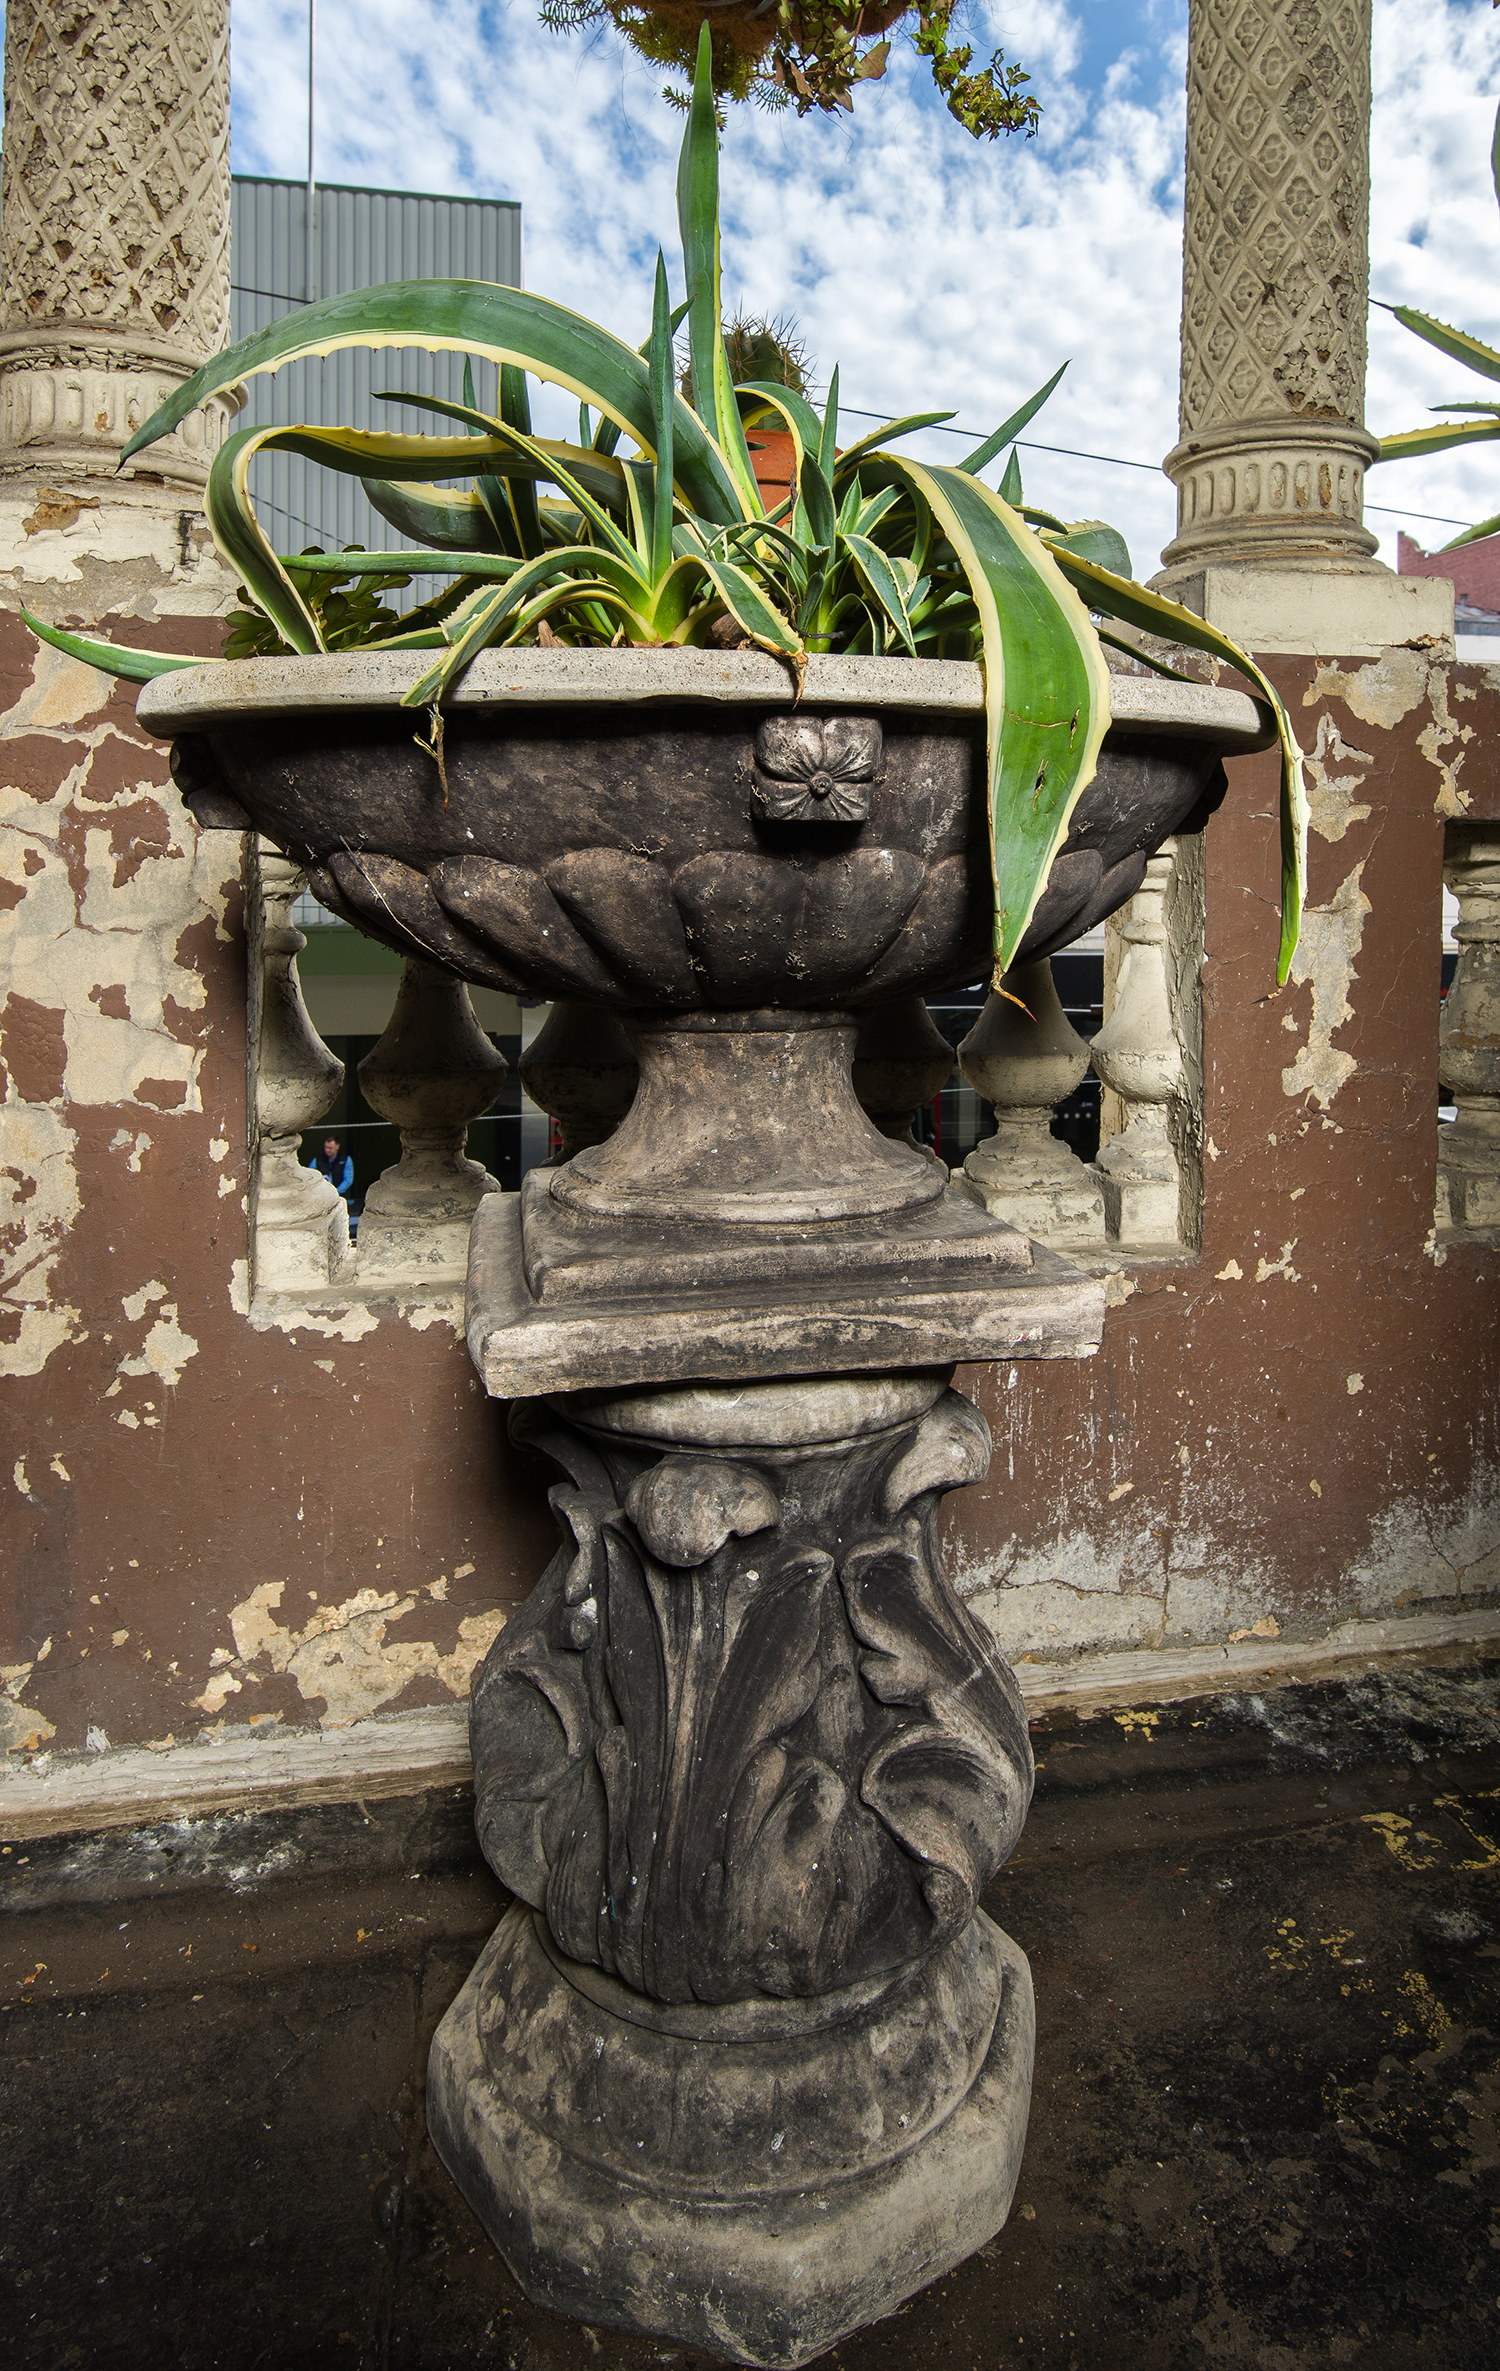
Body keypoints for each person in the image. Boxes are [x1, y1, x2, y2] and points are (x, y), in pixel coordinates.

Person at [308, 1134, 354, 1200]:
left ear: (337, 1146)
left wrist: (335, 1192)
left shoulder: (346, 1159)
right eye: (326, 1147)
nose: (327, 1150)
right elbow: (310, 1178)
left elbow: (348, 1180)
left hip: (341, 1197)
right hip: (321, 1197)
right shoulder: (316, 1160)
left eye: (330, 1148)